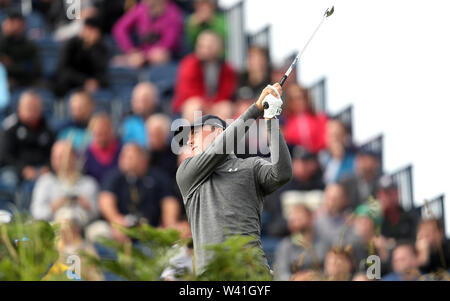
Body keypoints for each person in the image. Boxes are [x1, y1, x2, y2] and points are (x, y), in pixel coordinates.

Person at [175, 83, 292, 274]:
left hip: (252, 272)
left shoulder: (251, 166)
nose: (190, 141)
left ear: (218, 133)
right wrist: (256, 109)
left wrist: (270, 118)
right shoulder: (187, 172)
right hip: (212, 276)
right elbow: (218, 150)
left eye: (195, 134)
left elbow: (282, 174)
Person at [97, 143, 181, 243]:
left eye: (130, 157)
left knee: (176, 232)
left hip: (152, 228)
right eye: (123, 156)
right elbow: (105, 199)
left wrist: (169, 223)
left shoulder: (158, 177)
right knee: (98, 231)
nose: (124, 160)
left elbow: (169, 202)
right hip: (122, 226)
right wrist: (115, 220)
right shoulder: (114, 177)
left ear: (143, 159)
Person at [30, 140, 99, 228]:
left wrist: (86, 205)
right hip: (53, 227)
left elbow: (97, 213)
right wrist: (54, 207)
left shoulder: (88, 182)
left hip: (84, 228)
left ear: (74, 158)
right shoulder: (44, 182)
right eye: (55, 157)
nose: (59, 161)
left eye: (63, 157)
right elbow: (36, 213)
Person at [264, 146, 325, 237]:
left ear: (314, 165)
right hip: (286, 231)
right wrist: (295, 221)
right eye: (297, 162)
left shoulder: (321, 186)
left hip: (314, 233)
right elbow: (275, 214)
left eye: (305, 162)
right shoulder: (281, 185)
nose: (301, 166)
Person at [172, 30, 237, 114]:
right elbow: (188, 91)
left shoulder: (227, 68)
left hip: (216, 104)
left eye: (209, 47)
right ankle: (196, 127)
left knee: (226, 108)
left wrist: (213, 105)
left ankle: (220, 127)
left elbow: (227, 91)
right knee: (194, 107)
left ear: (219, 48)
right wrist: (207, 104)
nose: (205, 50)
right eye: (201, 46)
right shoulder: (189, 64)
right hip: (195, 103)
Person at [1, 91, 54, 182]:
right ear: (19, 108)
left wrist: (47, 167)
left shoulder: (47, 128)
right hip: (15, 169)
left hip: (41, 170)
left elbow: (52, 153)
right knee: (8, 178)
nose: (32, 110)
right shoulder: (10, 126)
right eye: (28, 107)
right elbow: (5, 155)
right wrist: (23, 169)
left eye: (35, 107)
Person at [112, 0, 183, 67]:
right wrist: (131, 50)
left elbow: (168, 44)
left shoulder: (173, 13)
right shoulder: (141, 9)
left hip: (167, 59)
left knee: (161, 57)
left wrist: (145, 57)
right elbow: (120, 28)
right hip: (142, 56)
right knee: (117, 62)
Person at [54, 17, 109, 97]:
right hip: (69, 85)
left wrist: (91, 47)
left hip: (91, 87)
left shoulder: (101, 48)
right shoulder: (71, 44)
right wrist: (84, 81)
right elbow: (63, 70)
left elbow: (101, 71)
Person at [273, 203, 328, 281]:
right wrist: (296, 279)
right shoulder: (284, 246)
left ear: (311, 217)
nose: (294, 218)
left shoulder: (324, 242)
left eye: (299, 215)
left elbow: (330, 270)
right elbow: (281, 273)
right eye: (292, 217)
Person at [0, 11, 41, 90]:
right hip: (6, 81)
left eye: (13, 22)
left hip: (27, 81)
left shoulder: (29, 45)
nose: (10, 25)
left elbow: (36, 69)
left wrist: (11, 66)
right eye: (9, 21)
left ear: (22, 25)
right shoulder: (2, 42)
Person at [283, 83, 328, 154]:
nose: (298, 102)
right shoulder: (285, 122)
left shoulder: (320, 118)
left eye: (301, 97)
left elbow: (325, 141)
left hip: (318, 157)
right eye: (293, 99)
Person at [377, 175, 419, 242]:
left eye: (392, 193)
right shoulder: (374, 220)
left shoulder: (409, 218)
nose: (389, 197)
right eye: (386, 193)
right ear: (379, 195)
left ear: (398, 193)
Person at [83, 113, 121, 185]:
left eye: (105, 131)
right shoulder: (85, 155)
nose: (102, 135)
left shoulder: (122, 150)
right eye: (99, 133)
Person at [121, 82, 158, 148]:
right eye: (136, 100)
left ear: (153, 101)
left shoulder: (160, 121)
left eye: (144, 100)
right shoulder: (128, 123)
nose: (139, 104)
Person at [319, 119, 356, 185]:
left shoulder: (354, 159)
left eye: (338, 135)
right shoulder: (320, 157)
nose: (334, 139)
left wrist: (338, 159)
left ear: (345, 137)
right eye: (331, 135)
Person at [146, 113, 177, 178]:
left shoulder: (174, 155)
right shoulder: (144, 156)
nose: (152, 138)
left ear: (166, 134)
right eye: (150, 134)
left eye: (157, 134)